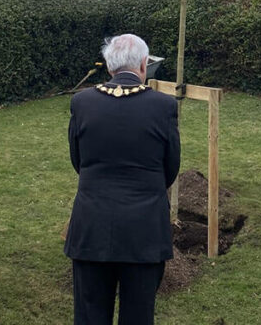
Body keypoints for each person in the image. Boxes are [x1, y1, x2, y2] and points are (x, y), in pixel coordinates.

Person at [64, 34, 180, 325]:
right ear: (144, 65)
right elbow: (171, 167)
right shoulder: (163, 106)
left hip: (92, 224)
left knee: (90, 315)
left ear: (108, 66)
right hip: (144, 229)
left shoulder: (82, 102)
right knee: (138, 316)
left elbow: (79, 161)